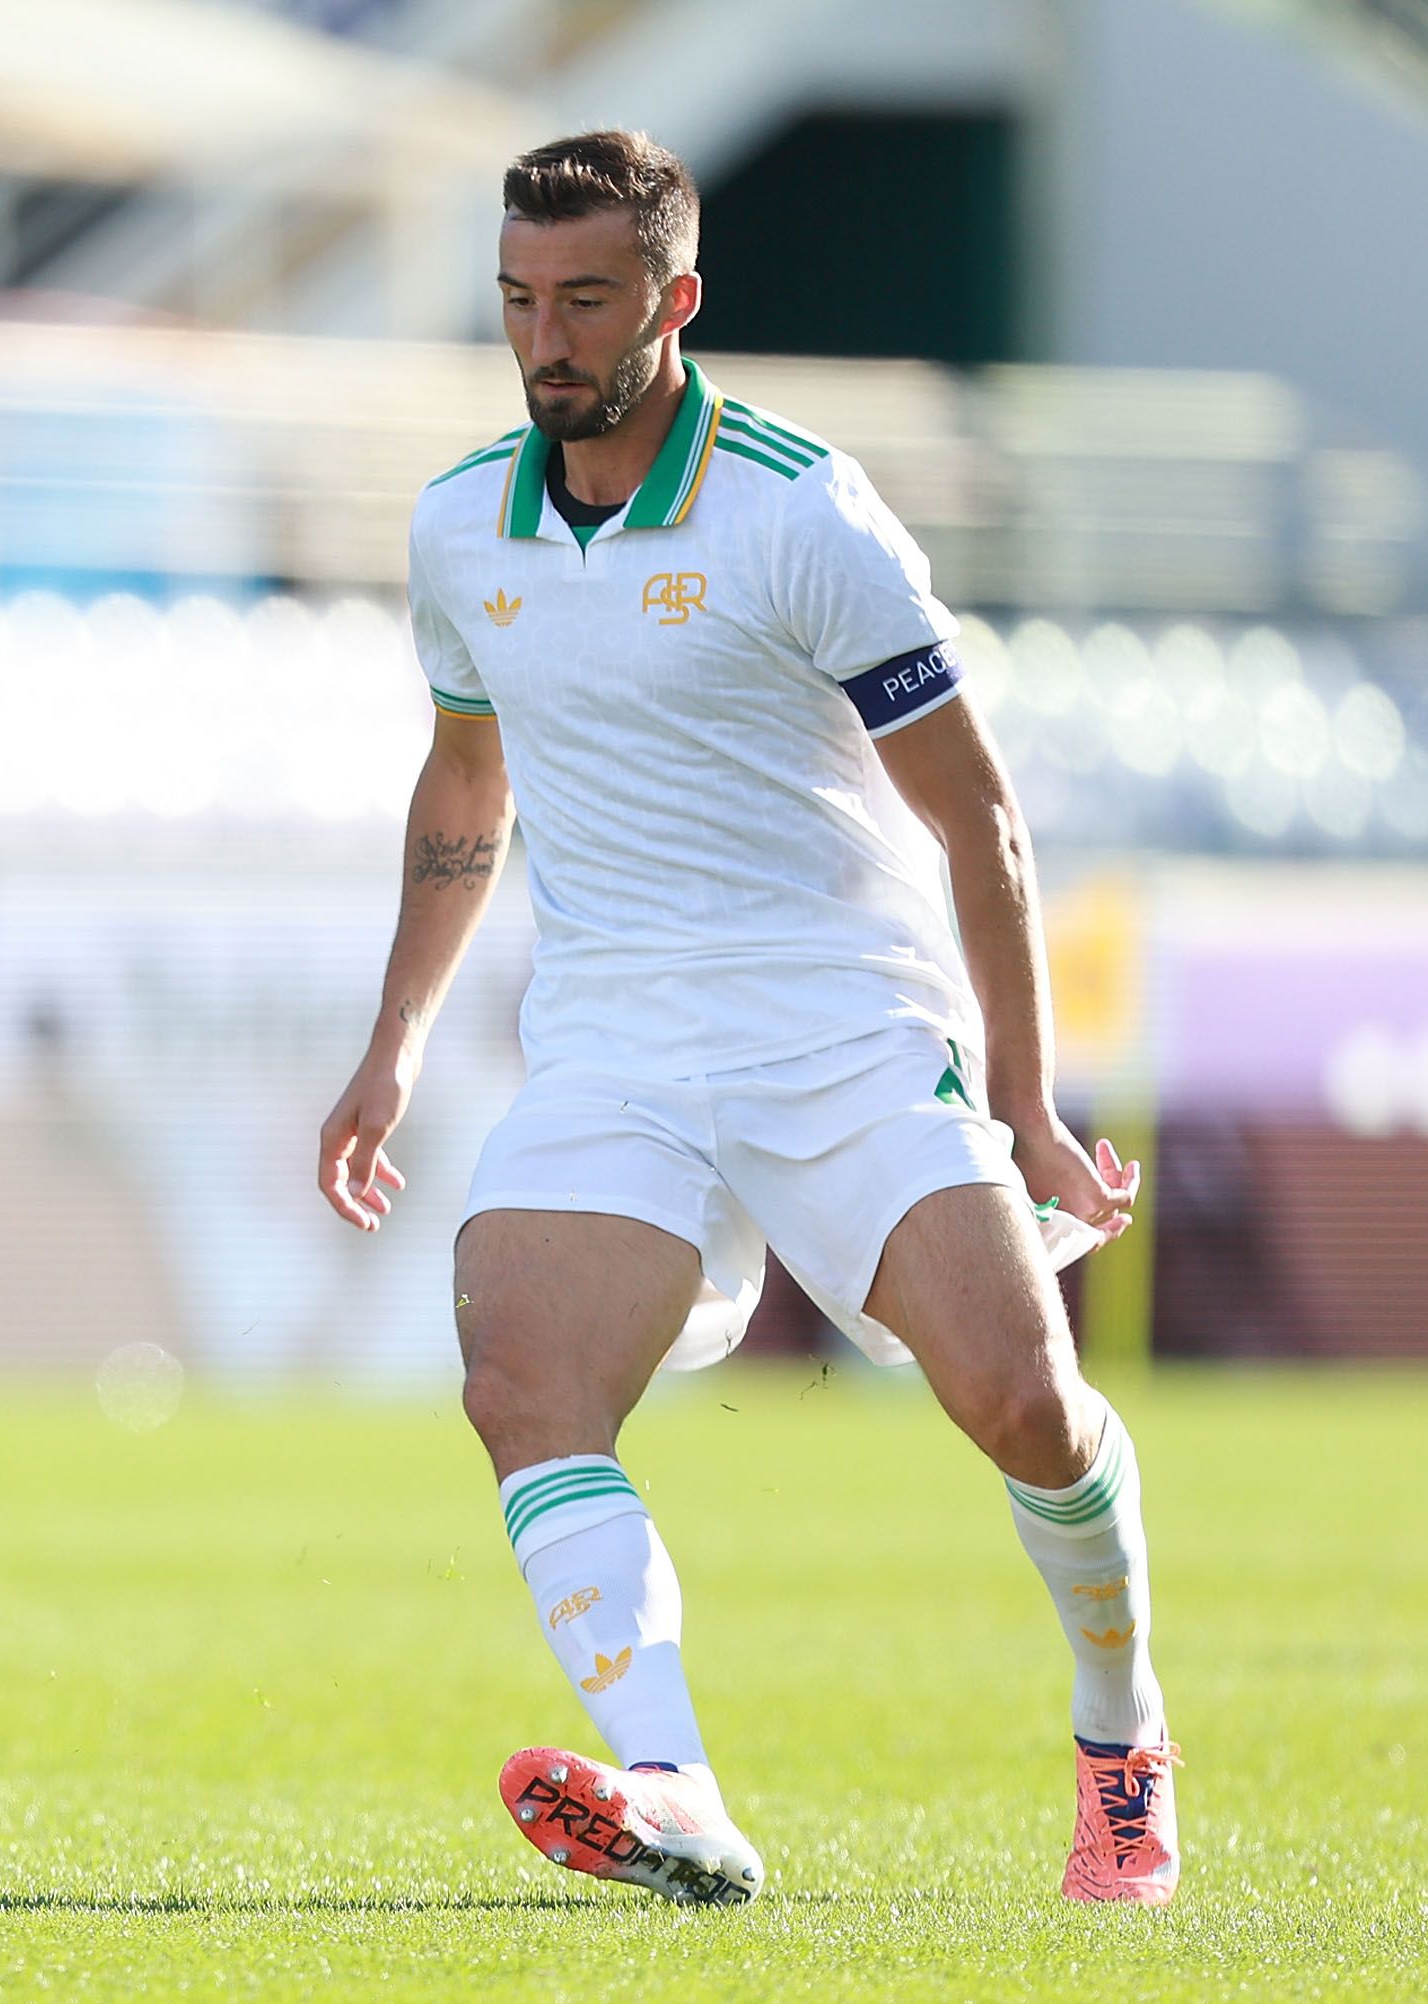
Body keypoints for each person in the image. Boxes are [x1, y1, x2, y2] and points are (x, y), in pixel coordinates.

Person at [317, 130, 1172, 1908]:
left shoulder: (802, 508)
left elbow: (979, 817)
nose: (547, 341)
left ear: (675, 301)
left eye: (587, 301)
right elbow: (463, 781)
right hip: (618, 1031)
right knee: (521, 1382)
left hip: (845, 1020)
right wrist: (396, 1039)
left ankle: (1121, 1732)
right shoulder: (461, 521)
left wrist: (1020, 1098)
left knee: (1027, 1409)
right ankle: (678, 1790)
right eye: (519, 302)